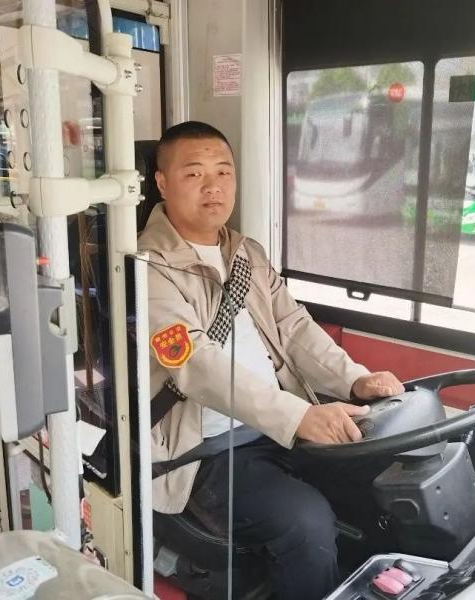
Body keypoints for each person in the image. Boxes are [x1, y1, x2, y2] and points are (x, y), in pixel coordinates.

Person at [138, 121, 404, 600]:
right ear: (162, 182)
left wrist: (355, 380)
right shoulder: (147, 266)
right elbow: (193, 362)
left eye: (224, 172)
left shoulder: (247, 254)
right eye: (194, 174)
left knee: (382, 476)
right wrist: (298, 416)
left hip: (275, 428)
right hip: (206, 452)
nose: (213, 186)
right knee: (306, 524)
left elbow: (294, 327)